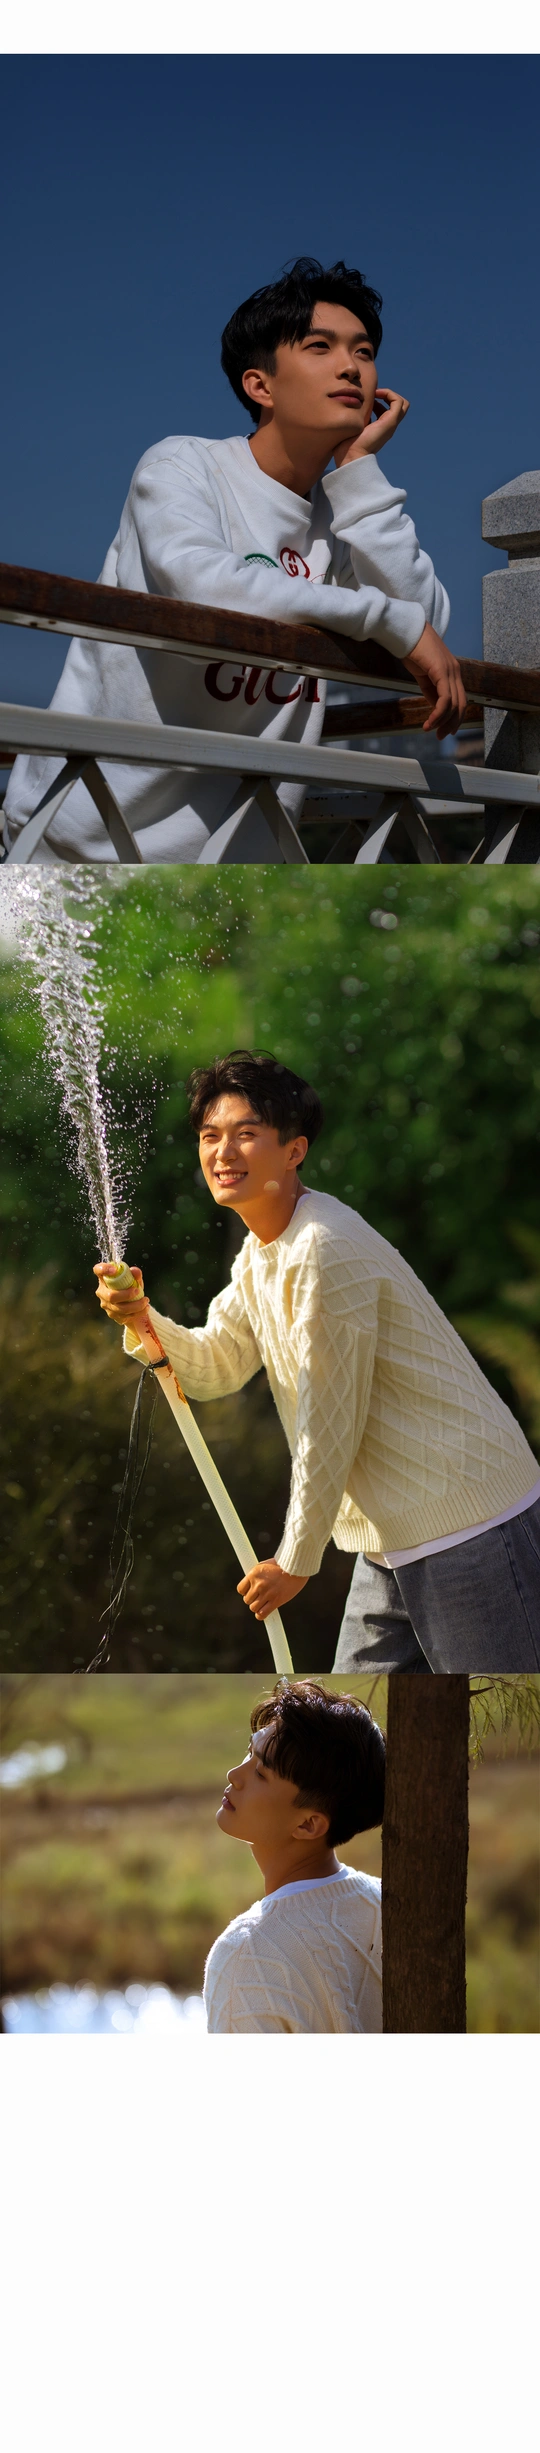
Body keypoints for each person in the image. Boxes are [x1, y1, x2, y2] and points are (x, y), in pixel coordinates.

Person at [4, 256, 466, 862]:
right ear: (260, 385)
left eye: (364, 351)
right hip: (78, 839)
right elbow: (205, 586)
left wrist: (358, 473)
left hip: (236, 861)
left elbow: (427, 622)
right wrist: (387, 621)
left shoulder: (344, 515)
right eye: (320, 346)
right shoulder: (183, 467)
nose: (351, 366)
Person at [94, 1049, 540, 1675]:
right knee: (349, 1718)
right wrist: (141, 1318)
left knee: (507, 1725)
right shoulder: (261, 1253)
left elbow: (329, 1424)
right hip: (390, 1542)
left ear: (294, 1150)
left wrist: (295, 1560)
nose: (223, 1153)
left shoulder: (324, 1250)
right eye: (210, 1136)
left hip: (469, 1527)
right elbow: (216, 1365)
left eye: (246, 1134)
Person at [203, 1679, 385, 2035]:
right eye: (249, 1752)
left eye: (261, 1773)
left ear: (308, 1824)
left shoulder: (247, 1955)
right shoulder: (385, 1900)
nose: (234, 1775)